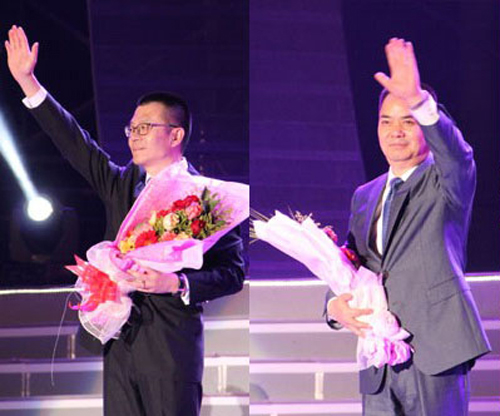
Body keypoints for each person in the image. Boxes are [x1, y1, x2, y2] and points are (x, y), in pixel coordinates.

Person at [5, 25, 245, 416]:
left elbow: (233, 273)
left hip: (170, 345)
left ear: (175, 135)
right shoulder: (121, 185)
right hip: (120, 340)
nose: (133, 136)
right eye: (131, 128)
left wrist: (177, 282)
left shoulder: (205, 200)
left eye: (145, 128)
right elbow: (75, 143)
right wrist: (28, 83)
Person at [326, 38, 490, 415]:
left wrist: (420, 101)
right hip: (379, 358)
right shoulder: (364, 196)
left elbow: (457, 154)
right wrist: (334, 306)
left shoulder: (447, 180)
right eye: (386, 121)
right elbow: (356, 264)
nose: (395, 131)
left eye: (408, 121)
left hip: (436, 350)